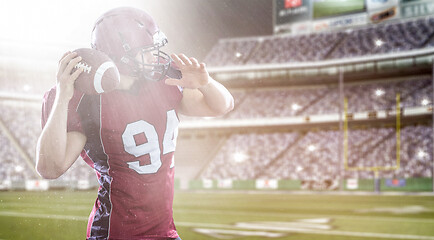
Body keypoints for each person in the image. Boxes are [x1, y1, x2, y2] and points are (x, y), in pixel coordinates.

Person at [36, 7, 234, 240]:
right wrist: (62, 98)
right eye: (147, 51)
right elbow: (50, 168)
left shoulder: (166, 81)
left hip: (164, 231)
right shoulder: (88, 101)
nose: (155, 57)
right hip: (116, 232)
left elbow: (223, 106)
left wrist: (205, 83)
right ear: (121, 55)